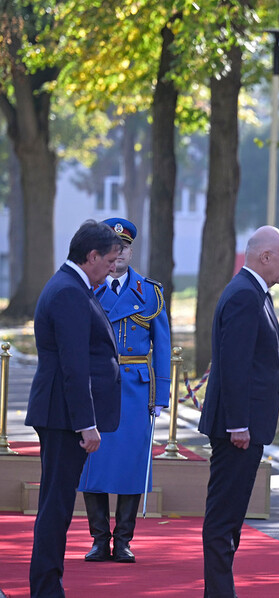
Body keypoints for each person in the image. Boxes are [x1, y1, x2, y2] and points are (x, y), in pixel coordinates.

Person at [26, 220, 123, 597]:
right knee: (56, 507)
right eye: (111, 260)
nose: (114, 267)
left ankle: (47, 586)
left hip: (62, 413)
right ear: (92, 256)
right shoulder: (69, 291)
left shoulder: (74, 286)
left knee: (58, 504)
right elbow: (74, 364)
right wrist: (86, 423)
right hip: (63, 416)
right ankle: (47, 589)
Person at [199, 226, 279, 598]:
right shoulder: (244, 295)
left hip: (245, 425)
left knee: (232, 515)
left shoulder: (255, 292)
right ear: (264, 257)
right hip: (237, 428)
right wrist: (238, 424)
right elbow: (236, 366)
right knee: (224, 516)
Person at [78, 218, 170, 564]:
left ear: (131, 251)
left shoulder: (149, 292)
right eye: (113, 249)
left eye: (125, 248)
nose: (119, 255)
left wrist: (160, 396)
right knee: (95, 462)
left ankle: (124, 540)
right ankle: (99, 539)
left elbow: (162, 346)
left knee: (132, 463)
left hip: (134, 389)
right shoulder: (87, 288)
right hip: (98, 387)